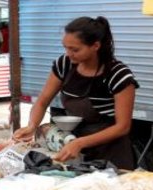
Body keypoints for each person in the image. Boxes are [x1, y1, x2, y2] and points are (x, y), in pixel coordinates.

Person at [13, 16, 139, 170]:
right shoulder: (64, 64)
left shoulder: (118, 75)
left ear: (95, 46)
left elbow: (123, 127)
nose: (68, 54)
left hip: (111, 152)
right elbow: (42, 101)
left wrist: (81, 142)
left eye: (75, 49)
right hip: (73, 145)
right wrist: (32, 126)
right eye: (65, 47)